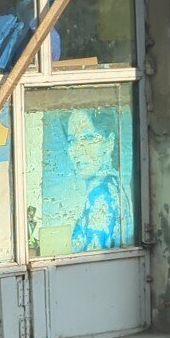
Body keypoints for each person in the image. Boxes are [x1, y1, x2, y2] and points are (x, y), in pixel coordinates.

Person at [65, 107, 133, 253]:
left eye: (88, 138)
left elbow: (92, 265)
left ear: (109, 142)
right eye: (71, 140)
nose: (78, 149)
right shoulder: (112, 185)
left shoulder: (100, 196)